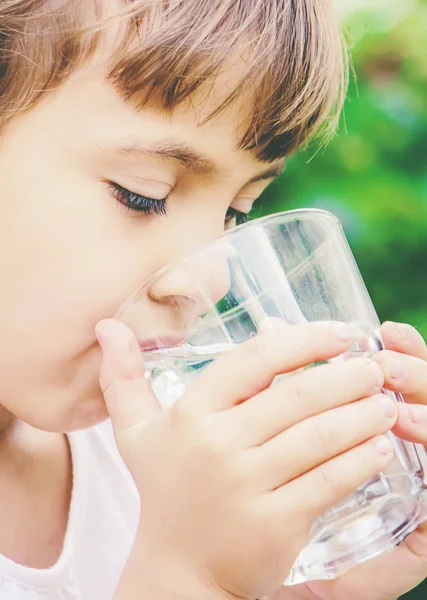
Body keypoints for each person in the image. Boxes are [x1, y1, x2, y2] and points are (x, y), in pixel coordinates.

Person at [0, 1, 426, 599]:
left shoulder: (157, 459)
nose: (211, 280)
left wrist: (293, 590)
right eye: (143, 195)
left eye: (237, 211)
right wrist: (189, 578)